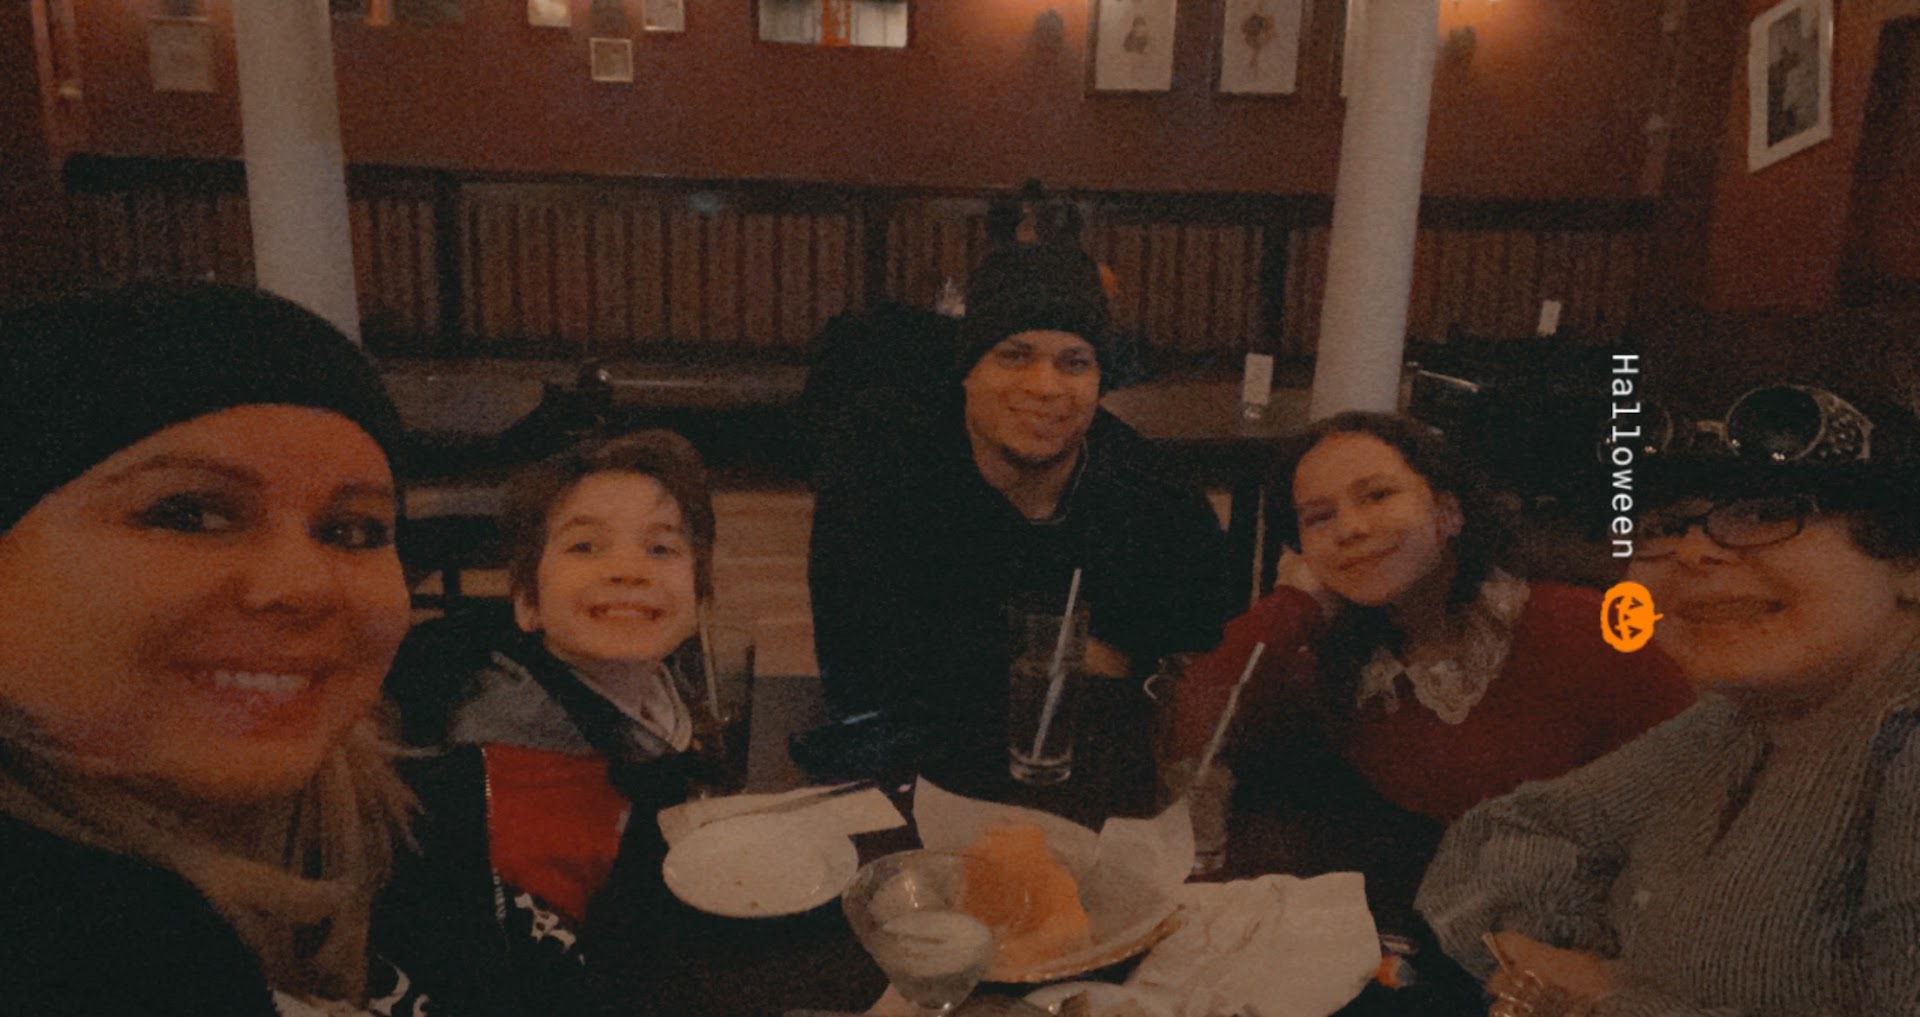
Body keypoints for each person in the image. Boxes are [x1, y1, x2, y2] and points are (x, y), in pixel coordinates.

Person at [1416, 383, 1920, 1017]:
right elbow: (1500, 836)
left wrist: (1611, 997)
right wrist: (1566, 955)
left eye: (1765, 513)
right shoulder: (1737, 720)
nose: (1693, 551)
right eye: (1662, 527)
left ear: (1909, 564)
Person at [0, 281, 423, 1015]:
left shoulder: (423, 832)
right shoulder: (63, 947)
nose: (303, 586)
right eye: (189, 513)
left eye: (353, 530)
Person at [1170, 412, 1694, 825]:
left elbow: (1692, 791)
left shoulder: (1585, 627)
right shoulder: (1328, 648)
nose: (1350, 528)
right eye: (1319, 517)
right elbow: (1193, 731)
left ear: (1448, 514)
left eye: (1377, 495)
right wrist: (1295, 603)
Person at [806, 241, 1232, 741]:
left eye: (1075, 363)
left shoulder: (1160, 500)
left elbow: (1196, 678)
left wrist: (959, 650)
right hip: (921, 759)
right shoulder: (882, 468)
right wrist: (1074, 656)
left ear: (1100, 382)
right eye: (1014, 356)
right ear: (968, 371)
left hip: (1100, 758)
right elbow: (858, 676)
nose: (1045, 387)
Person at [380, 430, 721, 1002]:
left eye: (661, 548)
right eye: (585, 546)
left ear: (699, 597)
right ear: (527, 602)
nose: (629, 569)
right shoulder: (516, 784)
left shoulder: (658, 692)